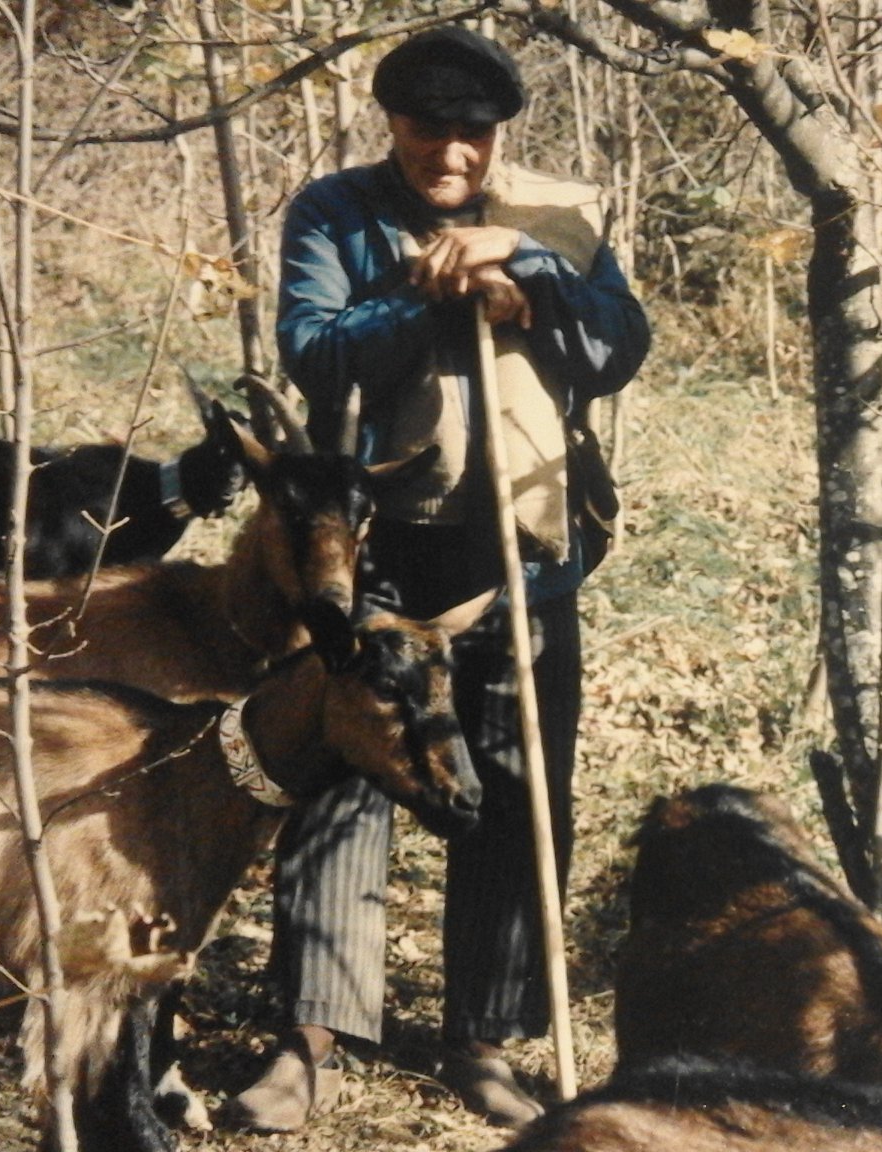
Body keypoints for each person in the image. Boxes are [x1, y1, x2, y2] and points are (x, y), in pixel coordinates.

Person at [227, 25, 650, 1134]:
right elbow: (312, 352)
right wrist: (425, 294)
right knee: (345, 771)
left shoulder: (560, 214)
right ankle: (310, 1033)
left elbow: (620, 348)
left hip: (519, 548)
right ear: (395, 125)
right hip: (374, 547)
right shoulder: (337, 211)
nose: (451, 151)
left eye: (472, 131)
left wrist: (534, 281)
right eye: (428, 129)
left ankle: (485, 1038)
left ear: (497, 129)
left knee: (513, 782)